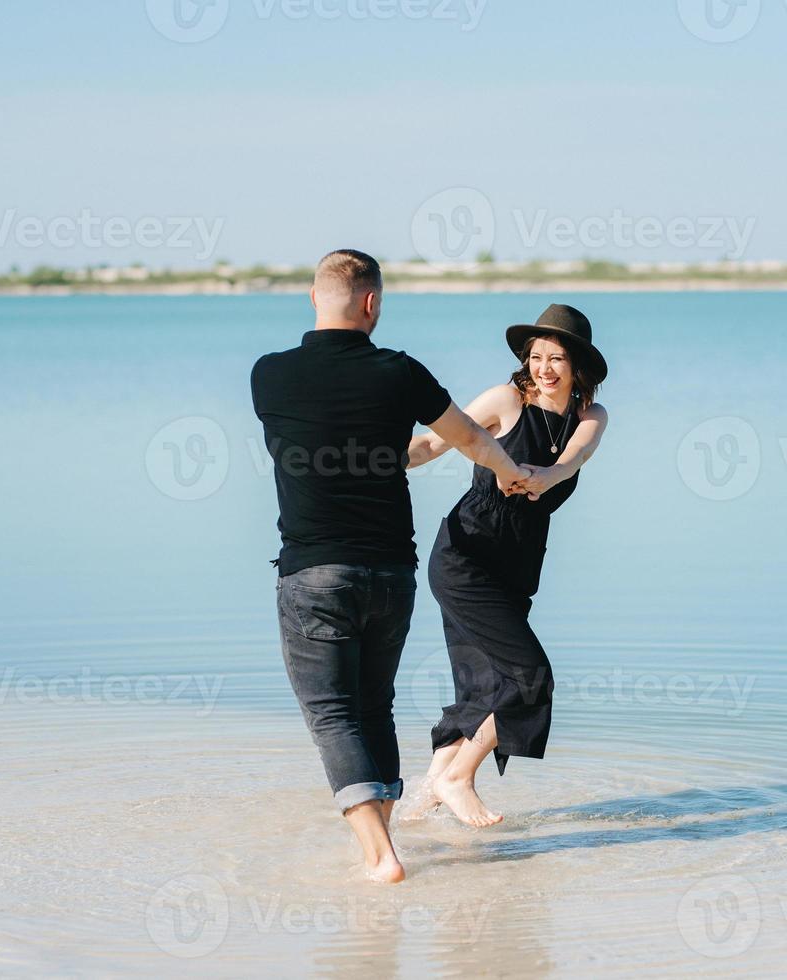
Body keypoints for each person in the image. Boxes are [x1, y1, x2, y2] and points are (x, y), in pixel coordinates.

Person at [251, 249, 531, 882]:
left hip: (312, 571)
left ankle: (380, 854)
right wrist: (509, 472)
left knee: (331, 711)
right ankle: (382, 825)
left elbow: (311, 433)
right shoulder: (400, 373)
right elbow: (470, 438)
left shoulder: (269, 375)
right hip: (390, 575)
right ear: (372, 303)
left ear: (313, 298)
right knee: (373, 705)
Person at [403, 303, 610, 827]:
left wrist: (548, 475)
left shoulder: (589, 417)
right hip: (465, 557)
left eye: (556, 358)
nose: (544, 368)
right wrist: (366, 457)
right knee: (530, 677)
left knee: (481, 688)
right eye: (536, 356)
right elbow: (432, 443)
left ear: (577, 366)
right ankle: (456, 778)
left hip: (517, 569)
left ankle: (417, 809)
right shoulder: (505, 401)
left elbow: (576, 456)